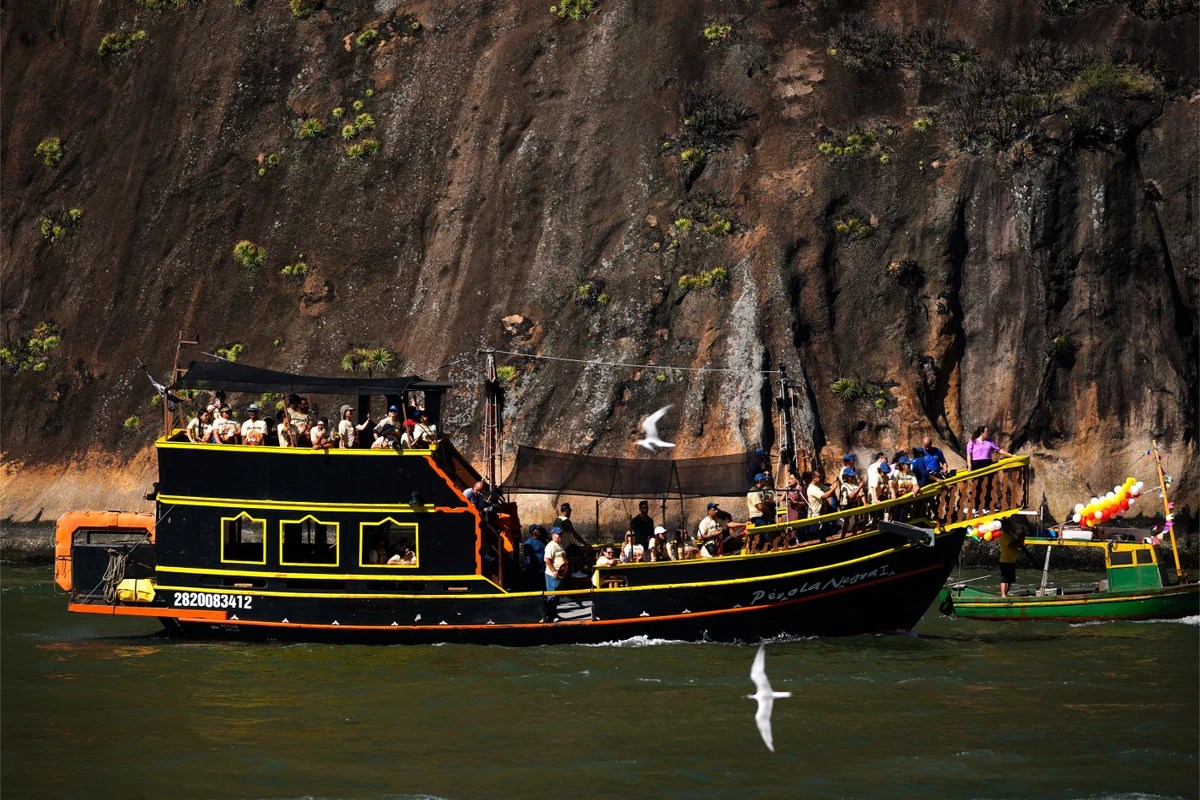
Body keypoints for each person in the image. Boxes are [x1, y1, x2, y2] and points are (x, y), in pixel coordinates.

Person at [543, 527, 568, 620]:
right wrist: (553, 570)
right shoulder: (551, 546)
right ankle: (550, 616)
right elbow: (547, 559)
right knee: (552, 595)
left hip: (560, 575)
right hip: (552, 575)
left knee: (557, 596)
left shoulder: (560, 545)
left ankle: (554, 613)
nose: (560, 536)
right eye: (558, 534)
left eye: (561, 534)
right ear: (553, 535)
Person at [998, 526, 1020, 597]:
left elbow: (1018, 545)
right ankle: (1003, 595)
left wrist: (1021, 538)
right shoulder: (1003, 536)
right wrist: (1018, 539)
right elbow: (1010, 545)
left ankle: (1006, 593)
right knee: (1004, 579)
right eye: (1008, 526)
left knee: (1010, 579)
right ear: (1005, 527)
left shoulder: (1011, 536)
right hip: (1005, 560)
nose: (1010, 527)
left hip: (1011, 561)